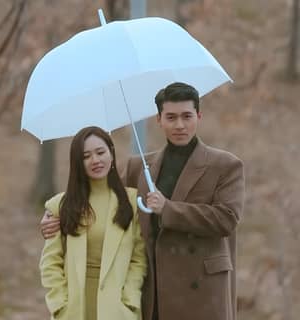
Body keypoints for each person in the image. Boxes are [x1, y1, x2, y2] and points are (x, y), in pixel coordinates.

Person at [41, 82, 245, 320]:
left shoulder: (225, 165)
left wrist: (169, 209)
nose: (179, 125)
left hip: (201, 289)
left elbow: (227, 219)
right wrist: (52, 213)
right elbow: (101, 195)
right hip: (155, 290)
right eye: (171, 117)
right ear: (159, 120)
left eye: (186, 116)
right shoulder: (140, 166)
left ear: (198, 116)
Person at [39, 126, 147, 320]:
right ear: (78, 163)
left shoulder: (131, 202)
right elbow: (50, 262)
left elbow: (138, 259)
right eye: (86, 156)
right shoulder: (61, 206)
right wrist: (59, 305)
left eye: (100, 152)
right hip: (74, 309)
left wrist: (130, 301)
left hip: (118, 309)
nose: (95, 160)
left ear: (111, 154)